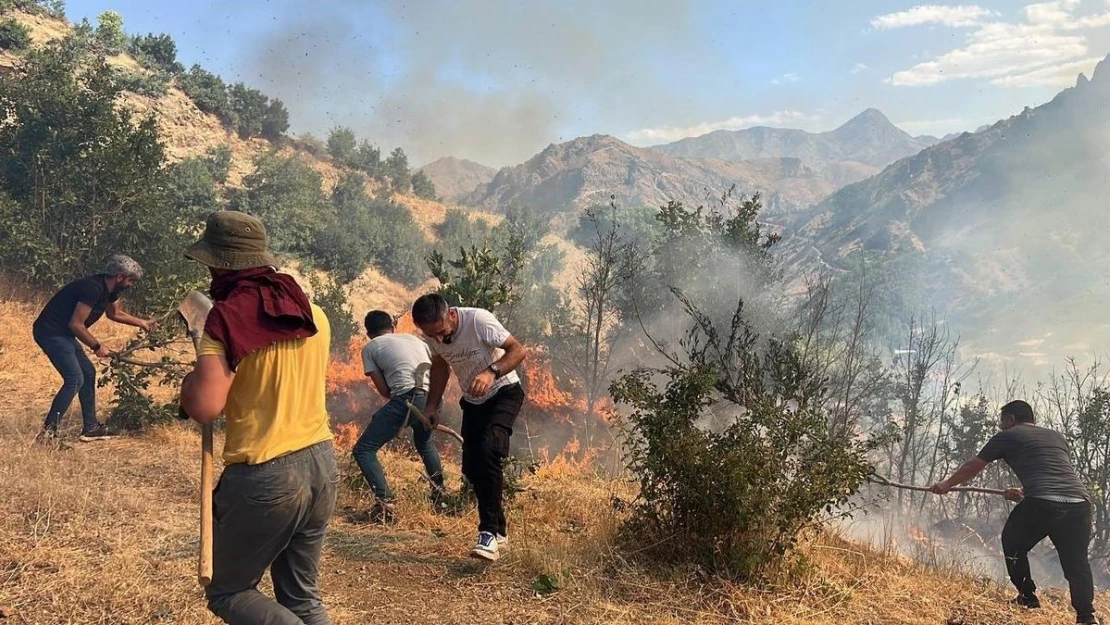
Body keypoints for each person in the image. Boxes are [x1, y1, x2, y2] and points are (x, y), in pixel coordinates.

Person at [180, 210, 337, 625]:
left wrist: (190, 381)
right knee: (302, 599)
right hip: (321, 465)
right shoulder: (315, 314)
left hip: (267, 474)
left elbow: (205, 407)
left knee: (229, 591)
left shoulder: (224, 321)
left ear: (217, 263)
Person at [930, 400, 1098, 625]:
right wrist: (1024, 491)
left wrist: (947, 484)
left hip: (1042, 503)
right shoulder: (1057, 437)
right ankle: (1086, 617)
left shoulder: (1008, 436)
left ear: (1010, 419)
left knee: (1013, 543)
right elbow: (1053, 471)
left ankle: (1027, 597)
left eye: (1002, 421)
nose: (1001, 426)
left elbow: (974, 465)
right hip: (1079, 505)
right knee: (1077, 563)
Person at [411, 293, 527, 561]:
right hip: (474, 400)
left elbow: (518, 350)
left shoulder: (478, 320)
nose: (438, 339)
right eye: (432, 336)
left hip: (504, 391)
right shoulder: (432, 335)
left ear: (451, 314)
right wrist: (431, 406)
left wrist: (491, 372)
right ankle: (499, 530)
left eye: (441, 332)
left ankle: (487, 534)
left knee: (489, 451)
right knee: (472, 467)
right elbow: (440, 366)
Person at [32, 254, 155, 443]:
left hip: (63, 333)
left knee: (88, 373)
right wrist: (97, 346)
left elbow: (114, 313)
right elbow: (76, 324)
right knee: (75, 379)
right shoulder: (92, 288)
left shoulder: (110, 290)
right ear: (120, 276)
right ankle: (48, 435)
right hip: (50, 332)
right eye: (130, 279)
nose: (131, 284)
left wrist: (142, 323)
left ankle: (90, 428)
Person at [352, 309, 445, 523]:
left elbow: (385, 391)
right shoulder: (415, 340)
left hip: (409, 397)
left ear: (369, 334)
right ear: (392, 328)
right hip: (433, 397)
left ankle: (386, 504)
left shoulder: (370, 347)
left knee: (364, 450)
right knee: (425, 443)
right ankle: (440, 497)